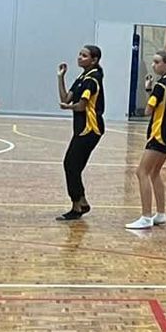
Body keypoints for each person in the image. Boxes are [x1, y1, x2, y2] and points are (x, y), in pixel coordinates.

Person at [128, 48, 166, 230]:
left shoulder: (162, 85)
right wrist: (150, 89)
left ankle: (145, 216)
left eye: (157, 62)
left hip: (160, 133)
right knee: (154, 172)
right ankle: (161, 213)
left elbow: (148, 111)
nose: (153, 65)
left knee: (141, 172)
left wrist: (149, 92)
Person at [55, 44, 105, 222]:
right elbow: (65, 98)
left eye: (84, 56)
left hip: (90, 128)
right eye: (80, 54)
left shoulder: (93, 79)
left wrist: (69, 107)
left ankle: (77, 205)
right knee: (73, 166)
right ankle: (81, 202)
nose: (79, 57)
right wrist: (61, 78)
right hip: (81, 128)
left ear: (94, 60)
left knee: (70, 164)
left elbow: (82, 105)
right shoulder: (82, 77)